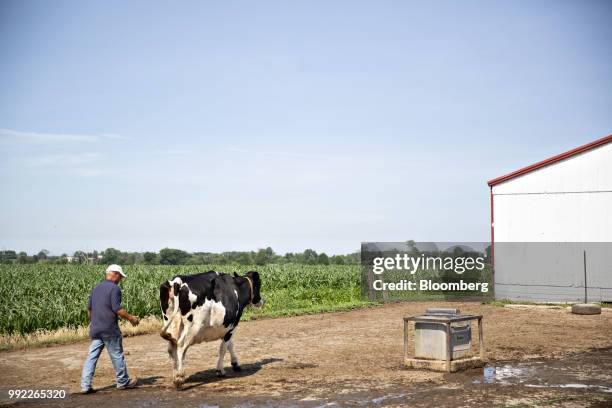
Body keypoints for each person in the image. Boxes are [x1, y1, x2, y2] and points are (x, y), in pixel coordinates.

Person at [80, 264, 140, 394]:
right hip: (109, 329)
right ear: (115, 274)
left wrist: (94, 323)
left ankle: (85, 385)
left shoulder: (96, 288)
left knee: (91, 357)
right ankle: (123, 382)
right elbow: (117, 309)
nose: (120, 280)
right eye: (120, 277)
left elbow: (89, 310)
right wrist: (131, 319)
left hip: (96, 329)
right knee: (117, 355)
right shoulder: (114, 289)